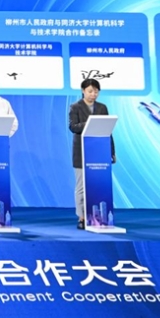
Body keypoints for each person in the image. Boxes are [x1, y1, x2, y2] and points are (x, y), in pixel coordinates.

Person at [69, 78, 116, 230]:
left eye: (96, 92)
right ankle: (82, 217)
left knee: (98, 185)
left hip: (99, 152)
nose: (93, 94)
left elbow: (108, 130)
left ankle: (98, 216)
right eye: (90, 91)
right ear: (83, 91)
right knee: (81, 186)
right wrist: (91, 122)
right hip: (81, 151)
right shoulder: (75, 107)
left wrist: (111, 151)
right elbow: (73, 127)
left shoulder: (102, 108)